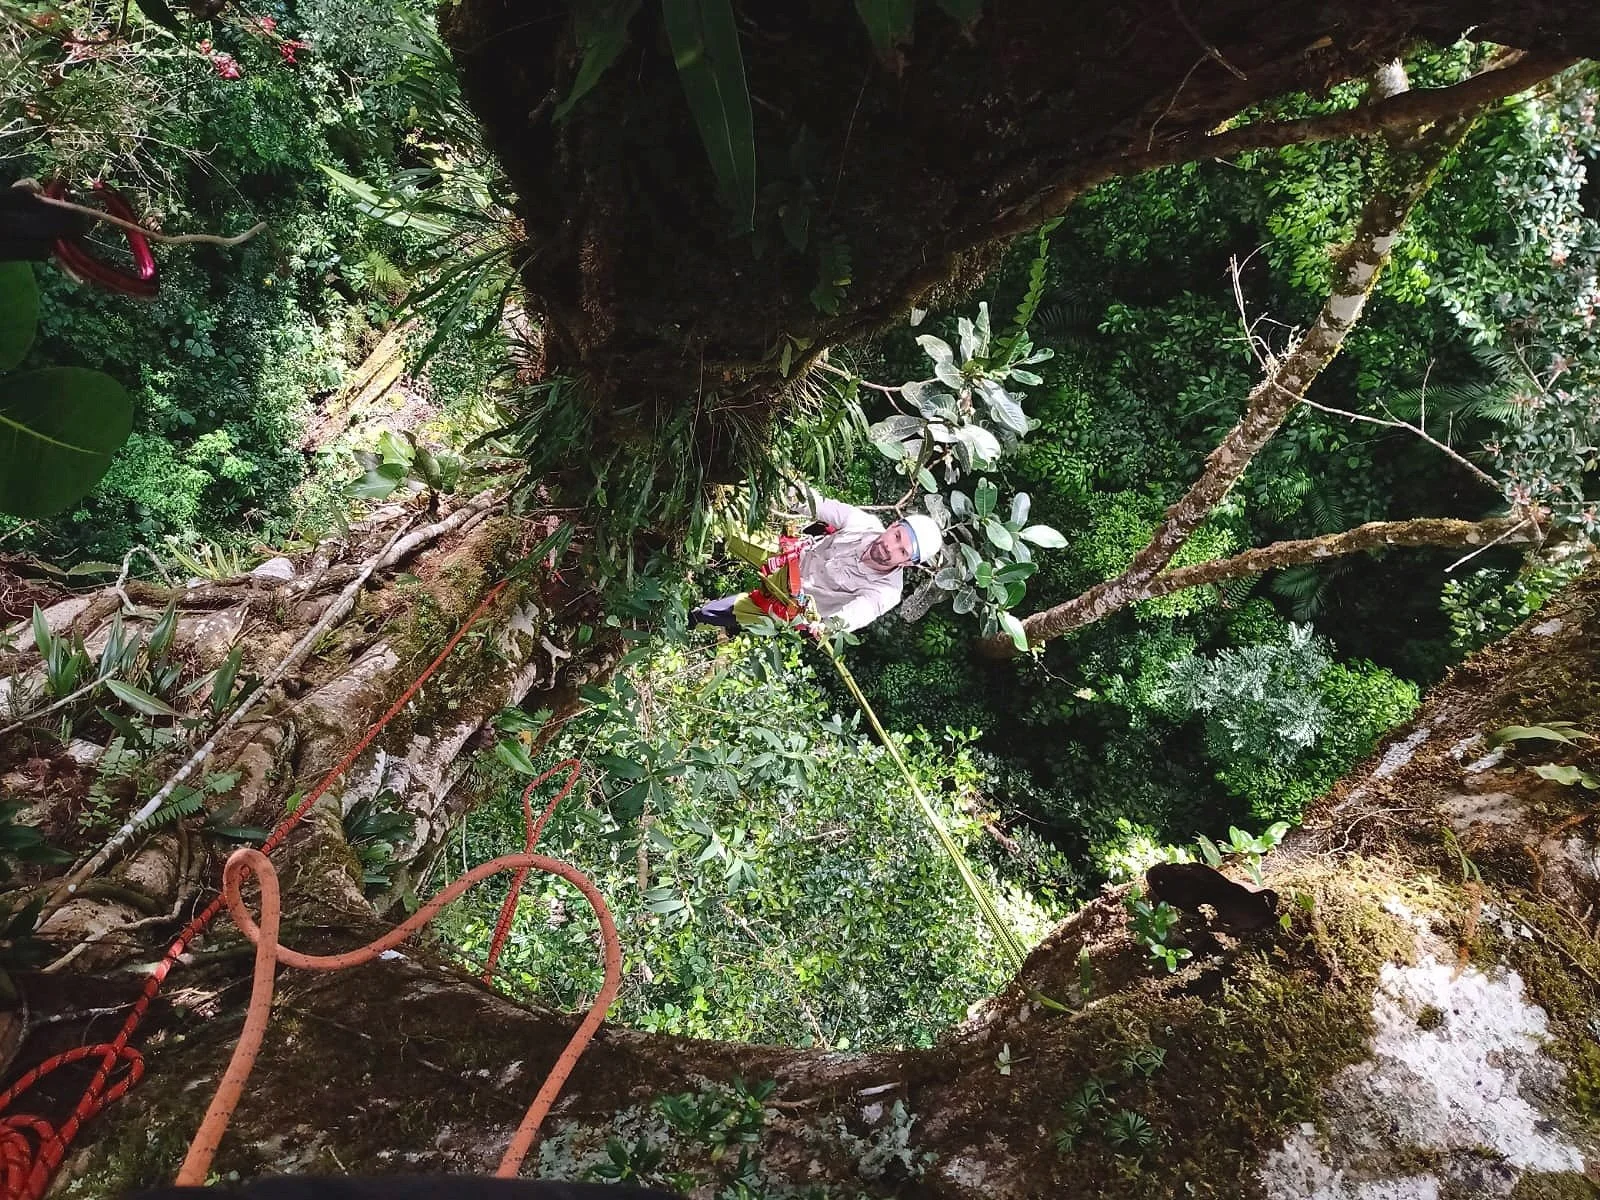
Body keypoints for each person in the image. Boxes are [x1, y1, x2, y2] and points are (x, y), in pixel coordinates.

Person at [690, 489, 942, 637]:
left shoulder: (886, 592)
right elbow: (820, 505)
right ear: (893, 526)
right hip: (791, 560)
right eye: (897, 537)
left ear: (907, 563)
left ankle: (694, 620)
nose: (891, 547)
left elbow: (857, 614)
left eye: (902, 551)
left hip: (791, 604)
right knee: (727, 526)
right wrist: (788, 492)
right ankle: (690, 519)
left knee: (723, 612)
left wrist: (826, 627)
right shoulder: (864, 524)